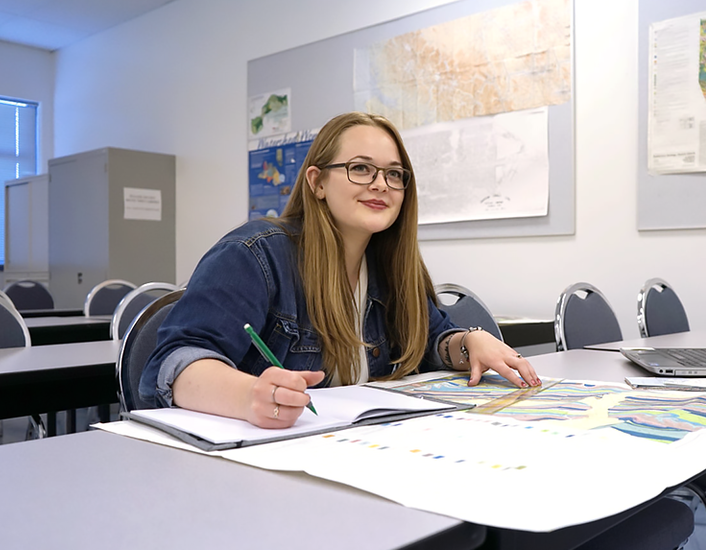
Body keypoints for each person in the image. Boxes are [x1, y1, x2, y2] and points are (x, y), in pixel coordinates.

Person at [141, 111, 538, 428]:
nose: (381, 184)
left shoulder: (392, 265)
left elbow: (434, 338)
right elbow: (176, 362)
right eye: (361, 168)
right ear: (317, 182)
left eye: (394, 174)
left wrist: (469, 341)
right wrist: (248, 397)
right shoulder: (254, 254)